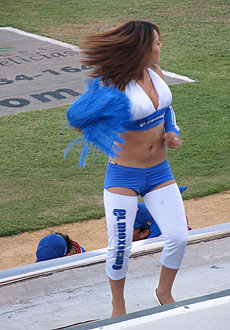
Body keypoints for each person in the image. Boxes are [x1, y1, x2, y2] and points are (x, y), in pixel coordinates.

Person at [68, 20, 189, 317]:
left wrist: (171, 132)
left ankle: (164, 291)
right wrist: (101, 127)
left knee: (178, 237)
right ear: (142, 48)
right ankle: (118, 305)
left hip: (160, 172)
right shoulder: (114, 84)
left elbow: (166, 110)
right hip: (124, 175)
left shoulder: (156, 74)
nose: (161, 47)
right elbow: (78, 117)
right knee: (120, 247)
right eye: (157, 43)